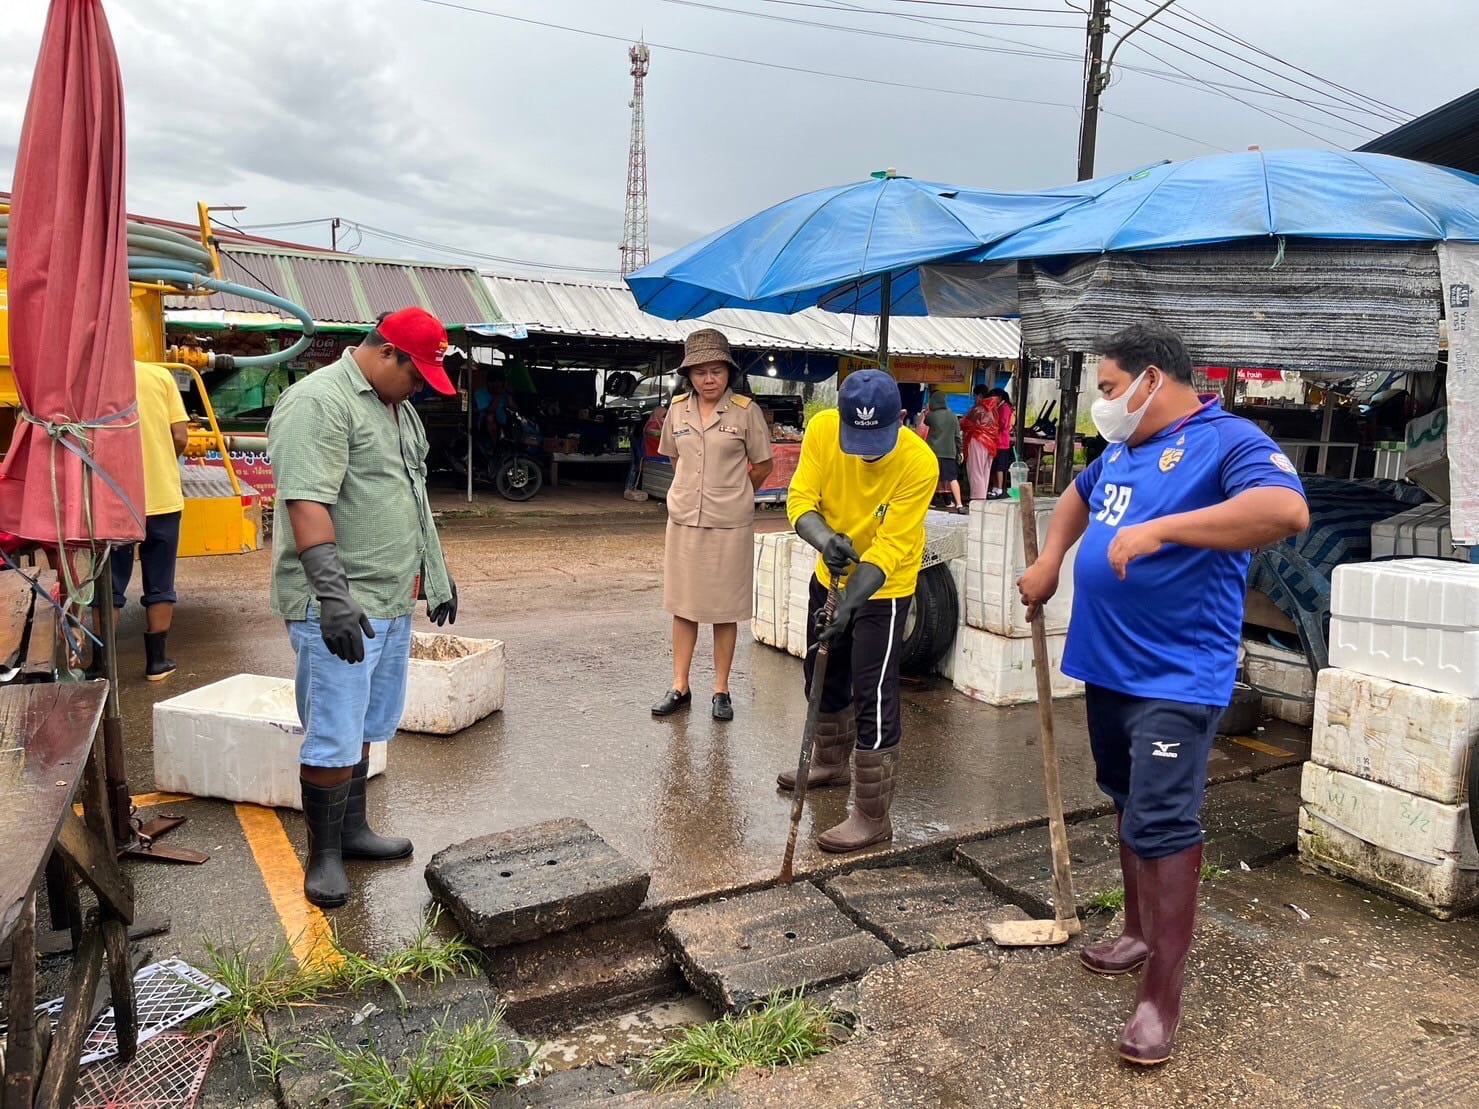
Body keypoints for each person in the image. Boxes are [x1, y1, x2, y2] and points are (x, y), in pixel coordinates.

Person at [1016, 323, 1308, 1066]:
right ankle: (1138, 928)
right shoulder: (1120, 448)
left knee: (1162, 819)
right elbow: (1076, 501)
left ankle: (1159, 999)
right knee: (1123, 796)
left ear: (1152, 379)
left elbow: (1283, 511)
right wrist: (1051, 560)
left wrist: (1161, 530)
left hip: (1177, 678)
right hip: (1105, 665)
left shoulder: (1228, 439)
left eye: (1109, 389)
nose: (1102, 406)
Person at [267, 306, 460, 910]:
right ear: (386, 353)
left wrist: (437, 573)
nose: (419, 390)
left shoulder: (396, 408)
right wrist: (331, 594)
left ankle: (352, 830)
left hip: (388, 596)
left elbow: (412, 494)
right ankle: (322, 853)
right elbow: (305, 501)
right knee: (333, 730)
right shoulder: (317, 403)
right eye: (416, 375)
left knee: (369, 723)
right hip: (339, 602)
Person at [780, 368, 936, 852]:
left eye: (878, 438)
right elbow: (800, 499)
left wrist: (851, 604)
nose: (867, 449)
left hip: (885, 589)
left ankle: (873, 815)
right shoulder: (824, 430)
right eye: (858, 437)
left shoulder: (920, 463)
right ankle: (829, 761)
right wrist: (824, 539)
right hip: (831, 574)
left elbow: (890, 550)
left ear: (902, 419)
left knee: (873, 689)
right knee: (821, 671)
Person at [651, 329, 774, 721]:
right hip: (685, 520)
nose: (709, 380)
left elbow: (764, 464)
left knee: (725, 609)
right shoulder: (677, 411)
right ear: (689, 375)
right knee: (683, 606)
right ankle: (679, 685)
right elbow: (674, 459)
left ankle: (721, 689)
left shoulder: (745, 411)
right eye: (700, 372)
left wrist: (737, 493)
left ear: (728, 373)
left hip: (730, 524)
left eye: (716, 371)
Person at [90, 360, 191, 680]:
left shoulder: (96, 376)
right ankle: (156, 663)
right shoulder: (160, 376)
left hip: (114, 499)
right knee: (160, 581)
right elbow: (180, 435)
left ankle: (101, 664)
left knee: (109, 583)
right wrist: (161, 459)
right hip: (161, 497)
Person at [921, 390, 965, 512]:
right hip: (949, 453)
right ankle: (959, 504)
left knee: (931, 477)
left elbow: (925, 422)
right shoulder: (953, 416)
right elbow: (957, 436)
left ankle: (927, 501)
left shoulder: (931, 416)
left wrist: (927, 411)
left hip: (933, 452)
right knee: (952, 478)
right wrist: (960, 451)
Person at [960, 384, 1001, 504]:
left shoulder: (979, 408)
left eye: (975, 396)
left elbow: (965, 423)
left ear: (979, 395)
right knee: (985, 471)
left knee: (975, 470)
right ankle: (981, 498)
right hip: (990, 443)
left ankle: (977, 499)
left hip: (977, 439)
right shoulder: (993, 409)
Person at [987, 388, 1016, 499]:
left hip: (1001, 442)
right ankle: (994, 487)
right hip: (995, 442)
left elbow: (1003, 424)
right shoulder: (998, 407)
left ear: (999, 397)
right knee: (994, 466)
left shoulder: (1004, 408)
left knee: (999, 467)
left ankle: (999, 488)